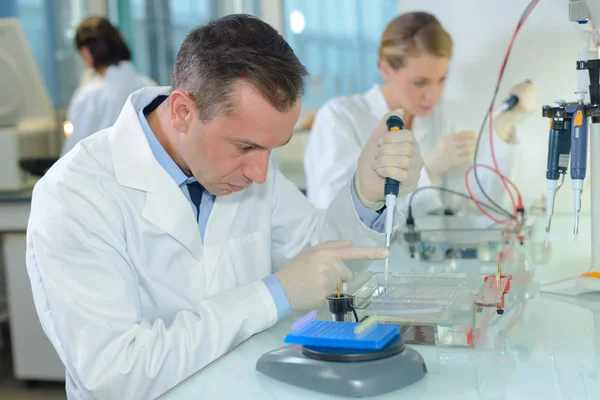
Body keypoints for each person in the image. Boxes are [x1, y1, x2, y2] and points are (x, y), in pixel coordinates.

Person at [26, 15, 424, 399]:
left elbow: (319, 258)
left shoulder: (248, 172)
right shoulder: (75, 196)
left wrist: (365, 194)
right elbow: (114, 374)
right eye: (246, 146)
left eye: (272, 149)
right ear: (183, 112)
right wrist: (271, 295)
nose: (260, 173)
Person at [304, 11, 536, 215]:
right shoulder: (340, 118)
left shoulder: (439, 121)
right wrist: (428, 170)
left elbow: (480, 204)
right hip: (359, 263)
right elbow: (338, 212)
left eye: (441, 80)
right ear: (385, 68)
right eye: (419, 82)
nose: (432, 94)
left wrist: (503, 127)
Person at [60, 16, 156, 156]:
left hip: (101, 176)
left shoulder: (89, 95)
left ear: (85, 52)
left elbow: (72, 156)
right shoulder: (150, 87)